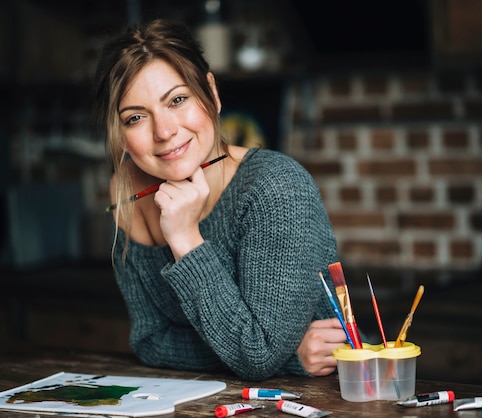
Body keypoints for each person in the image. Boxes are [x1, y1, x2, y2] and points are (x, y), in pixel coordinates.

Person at [93, 19, 348, 380]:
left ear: (210, 92)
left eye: (177, 100)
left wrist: (185, 238)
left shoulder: (275, 186)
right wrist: (291, 355)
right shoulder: (127, 190)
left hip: (333, 398)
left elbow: (257, 355)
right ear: (119, 133)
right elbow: (150, 340)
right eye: (135, 117)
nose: (164, 132)